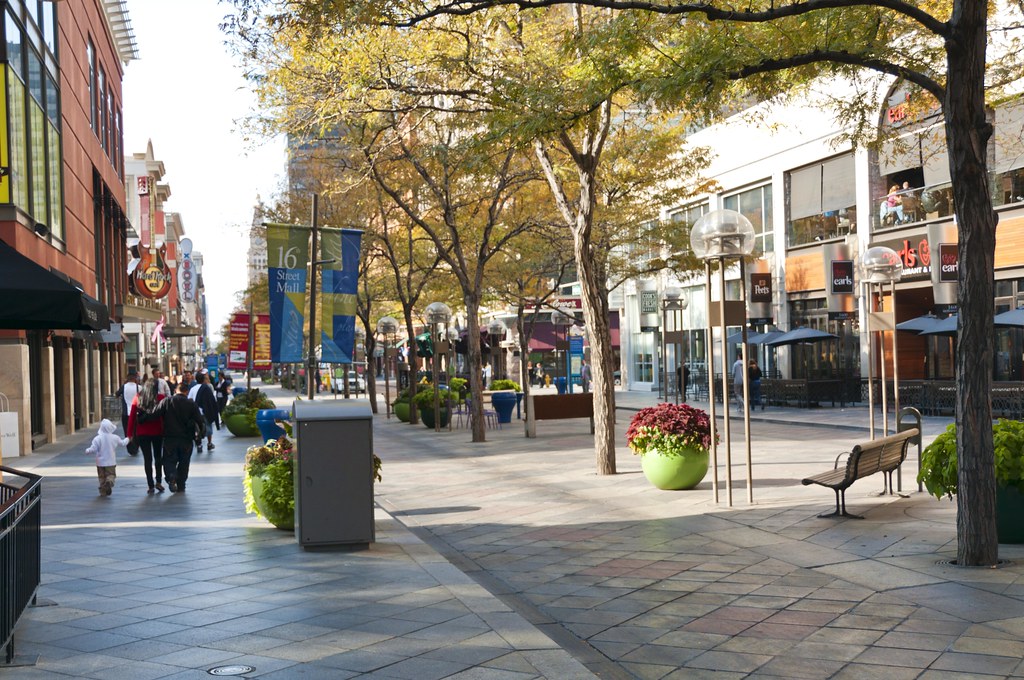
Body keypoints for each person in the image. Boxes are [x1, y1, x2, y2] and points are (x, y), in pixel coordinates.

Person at [153, 381, 205, 493]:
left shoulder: (167, 401)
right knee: (184, 462)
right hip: (186, 439)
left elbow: (155, 414)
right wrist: (201, 434)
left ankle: (171, 477)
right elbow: (200, 420)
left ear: (176, 390)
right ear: (187, 392)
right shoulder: (191, 404)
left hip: (170, 438)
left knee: (169, 460)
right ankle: (181, 484)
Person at [127, 378, 166, 493]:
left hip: (142, 433)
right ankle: (158, 481)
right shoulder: (160, 398)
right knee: (158, 457)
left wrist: (129, 434)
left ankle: (150, 485)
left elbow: (132, 418)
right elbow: (164, 416)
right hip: (158, 432)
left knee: (147, 459)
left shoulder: (137, 398)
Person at [85, 419, 130, 497]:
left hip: (100, 463)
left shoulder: (97, 438)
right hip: (111, 462)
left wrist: (88, 450)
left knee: (101, 477)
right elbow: (123, 443)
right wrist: (128, 438)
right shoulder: (115, 437)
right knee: (111, 475)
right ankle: (109, 482)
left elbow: (93, 448)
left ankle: (103, 492)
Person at [193, 372, 220, 452]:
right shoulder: (207, 388)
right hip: (205, 412)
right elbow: (211, 400)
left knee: (197, 429)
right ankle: (209, 443)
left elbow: (189, 399)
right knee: (208, 427)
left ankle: (199, 444)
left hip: (195, 413)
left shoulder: (192, 388)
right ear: (204, 379)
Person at [116, 371, 140, 438]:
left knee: (127, 432)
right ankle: (135, 446)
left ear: (127, 378)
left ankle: (130, 446)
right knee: (136, 432)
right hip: (137, 413)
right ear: (135, 378)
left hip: (126, 413)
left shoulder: (124, 387)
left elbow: (117, 394)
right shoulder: (139, 387)